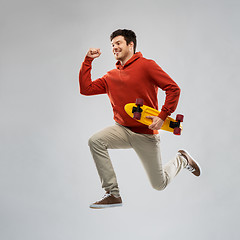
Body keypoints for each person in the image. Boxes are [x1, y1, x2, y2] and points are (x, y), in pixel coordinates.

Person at [79, 29, 201, 209]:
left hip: (146, 135)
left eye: (118, 43)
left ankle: (182, 159)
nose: (114, 47)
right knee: (95, 141)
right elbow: (86, 89)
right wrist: (88, 60)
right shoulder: (110, 77)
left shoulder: (147, 65)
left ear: (131, 45)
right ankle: (112, 193)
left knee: (159, 184)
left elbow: (173, 89)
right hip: (121, 129)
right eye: (112, 45)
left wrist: (162, 116)